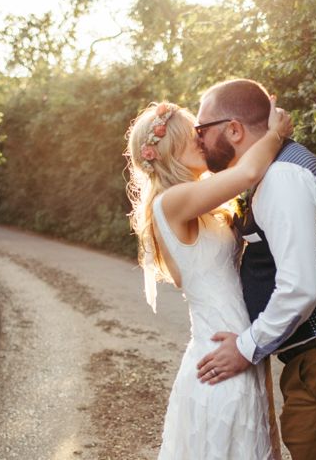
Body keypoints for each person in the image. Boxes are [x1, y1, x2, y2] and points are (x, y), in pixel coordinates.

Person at [195, 79, 316, 460]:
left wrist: (245, 348)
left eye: (203, 130)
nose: (198, 140)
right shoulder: (278, 169)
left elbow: (300, 287)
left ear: (234, 129)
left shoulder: (284, 177)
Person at [125, 98, 292, 460]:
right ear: (169, 150)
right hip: (219, 362)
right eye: (192, 137)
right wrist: (275, 133)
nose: (202, 141)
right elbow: (247, 174)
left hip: (237, 349)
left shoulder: (195, 203)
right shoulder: (170, 203)